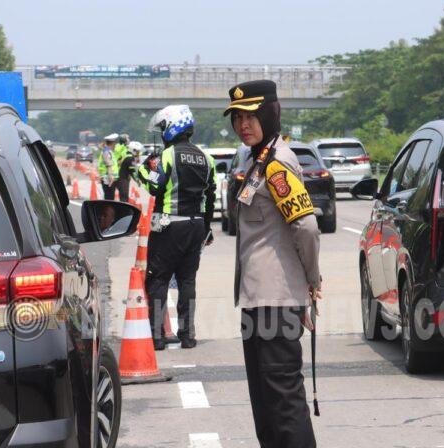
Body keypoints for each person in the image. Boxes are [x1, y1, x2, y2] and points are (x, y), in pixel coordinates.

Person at [224, 80, 321, 448]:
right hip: (257, 299)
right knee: (264, 400)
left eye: (251, 116)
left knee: (283, 400)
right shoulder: (255, 160)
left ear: (269, 114)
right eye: (237, 117)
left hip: (276, 301)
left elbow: (306, 227)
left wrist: (312, 281)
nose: (242, 124)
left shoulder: (277, 163)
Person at [137, 105, 215, 350]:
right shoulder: (206, 157)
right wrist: (208, 228)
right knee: (187, 281)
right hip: (197, 226)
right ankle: (187, 336)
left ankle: (157, 337)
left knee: (158, 279)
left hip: (171, 225)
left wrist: (142, 170)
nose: (161, 132)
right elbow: (210, 198)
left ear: (173, 127)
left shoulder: (169, 155)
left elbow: (155, 187)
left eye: (163, 127)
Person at [98, 133, 119, 200]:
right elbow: (109, 165)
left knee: (109, 197)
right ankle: (107, 210)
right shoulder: (107, 152)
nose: (115, 144)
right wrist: (111, 177)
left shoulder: (107, 151)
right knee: (109, 198)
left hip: (108, 178)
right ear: (112, 143)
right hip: (108, 178)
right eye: (115, 143)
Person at [114, 133, 131, 200]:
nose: (129, 140)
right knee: (124, 195)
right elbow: (117, 160)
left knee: (123, 194)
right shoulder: (122, 148)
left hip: (121, 173)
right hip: (121, 174)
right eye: (128, 138)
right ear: (124, 140)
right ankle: (124, 209)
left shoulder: (119, 147)